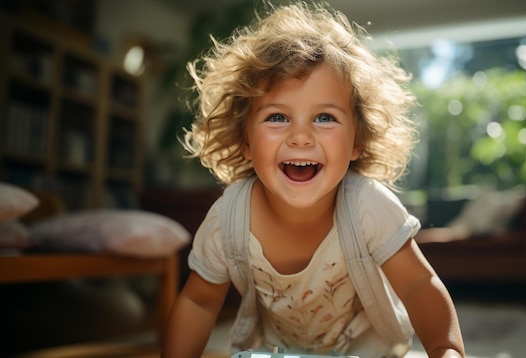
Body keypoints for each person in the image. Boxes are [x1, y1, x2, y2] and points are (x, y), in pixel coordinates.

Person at [161, 2, 464, 357]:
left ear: (357, 140)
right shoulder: (229, 218)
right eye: (277, 117)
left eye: (324, 118)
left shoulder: (368, 205)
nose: (300, 136)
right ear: (245, 141)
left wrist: (446, 349)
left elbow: (417, 284)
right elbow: (198, 302)